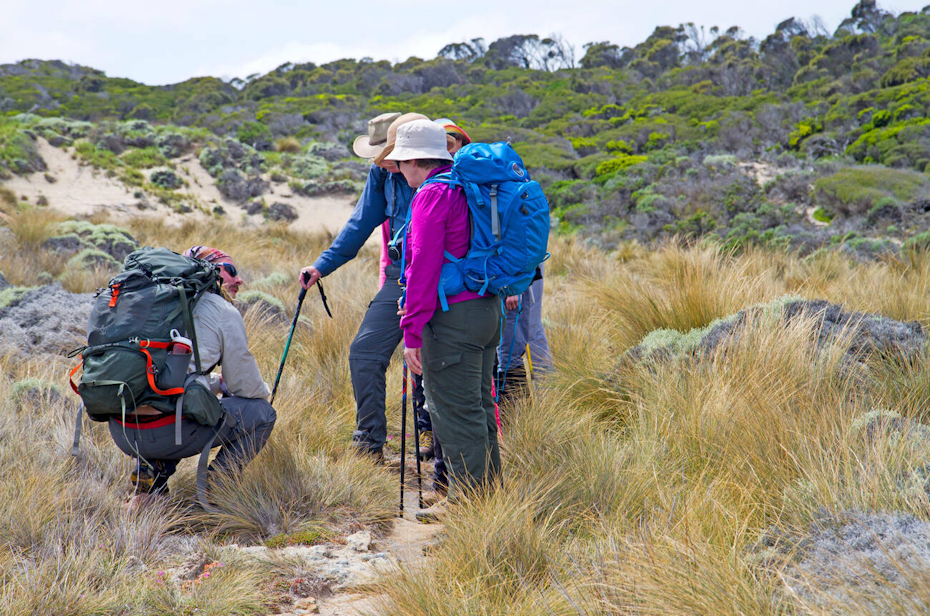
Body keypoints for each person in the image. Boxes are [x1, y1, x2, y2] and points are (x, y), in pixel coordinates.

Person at [299, 112, 430, 460]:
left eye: (386, 156)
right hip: (400, 276)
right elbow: (361, 223)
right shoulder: (381, 176)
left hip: (441, 280)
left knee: (430, 362)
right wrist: (322, 265)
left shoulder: (437, 177)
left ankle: (437, 442)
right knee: (364, 352)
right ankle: (369, 442)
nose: (381, 163)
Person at [388, 120, 502, 519]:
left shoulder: (432, 195)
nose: (399, 170)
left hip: (454, 317)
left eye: (401, 162)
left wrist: (412, 331)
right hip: (487, 310)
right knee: (479, 408)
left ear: (416, 160)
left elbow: (423, 267)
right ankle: (489, 500)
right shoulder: (466, 188)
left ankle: (469, 509)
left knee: (454, 411)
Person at [110, 246, 276, 505]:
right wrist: (263, 393)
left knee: (173, 398)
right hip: (167, 432)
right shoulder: (221, 310)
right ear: (210, 271)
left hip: (122, 431)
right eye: (230, 270)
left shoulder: (150, 305)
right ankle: (218, 486)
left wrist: (213, 383)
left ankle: (151, 479)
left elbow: (164, 375)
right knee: (263, 414)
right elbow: (246, 387)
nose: (239, 279)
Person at [497, 266, 553, 403]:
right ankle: (549, 396)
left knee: (524, 336)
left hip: (519, 276)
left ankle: (545, 399)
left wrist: (514, 286)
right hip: (521, 272)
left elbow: (518, 245)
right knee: (531, 331)